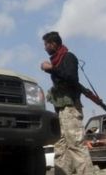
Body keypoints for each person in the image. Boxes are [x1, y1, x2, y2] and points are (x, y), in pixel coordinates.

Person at [40, 31, 95, 175]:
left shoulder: (68, 57)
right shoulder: (56, 60)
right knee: (60, 147)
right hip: (60, 110)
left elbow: (71, 78)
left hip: (70, 108)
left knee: (76, 146)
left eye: (46, 44)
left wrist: (52, 69)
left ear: (53, 44)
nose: (45, 48)